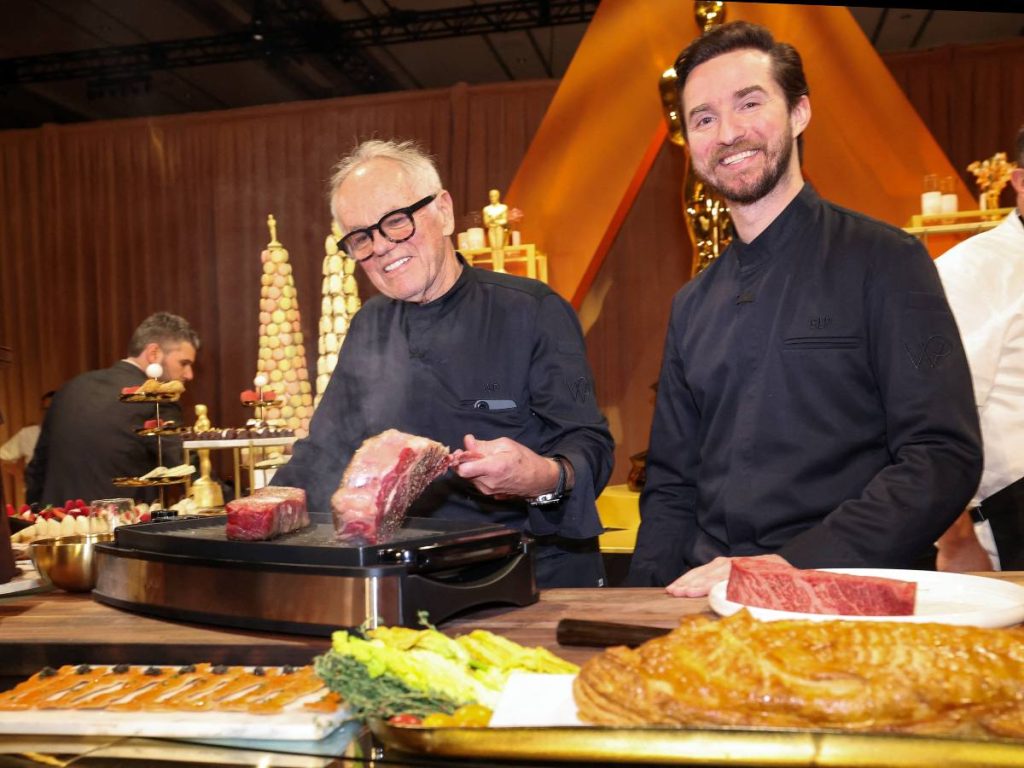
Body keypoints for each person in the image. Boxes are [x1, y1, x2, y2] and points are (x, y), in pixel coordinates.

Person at [625, 21, 982, 594]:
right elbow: (672, 482)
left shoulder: (887, 260)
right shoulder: (692, 304)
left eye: (749, 103)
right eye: (704, 118)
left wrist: (791, 567)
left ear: (799, 113)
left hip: (848, 594)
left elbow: (941, 457)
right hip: (712, 597)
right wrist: (643, 602)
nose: (728, 133)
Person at [273, 139, 614, 588]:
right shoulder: (369, 325)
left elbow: (590, 445)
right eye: (361, 238)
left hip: (527, 575)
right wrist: (264, 507)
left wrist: (541, 477)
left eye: (396, 221)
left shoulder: (531, 310)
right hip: (409, 577)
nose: (381, 247)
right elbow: (323, 451)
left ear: (445, 212)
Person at [933, 124, 1024, 572]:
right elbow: (933, 411)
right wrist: (957, 540)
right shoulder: (970, 271)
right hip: (1012, 514)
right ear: (1019, 181)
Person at [25, 312, 200, 506]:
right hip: (120, 521)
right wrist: (223, 502)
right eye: (184, 363)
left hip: (59, 519)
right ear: (154, 354)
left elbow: (37, 470)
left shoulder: (69, 388)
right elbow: (188, 470)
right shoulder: (158, 399)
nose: (189, 374)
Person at [0, 391, 54, 463]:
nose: (49, 413)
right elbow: (2, 455)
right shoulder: (28, 434)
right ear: (41, 411)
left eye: (53, 409)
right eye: (45, 409)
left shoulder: (69, 435)